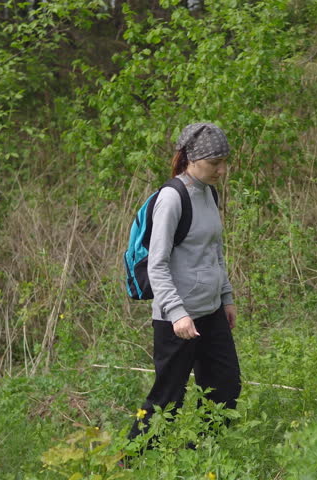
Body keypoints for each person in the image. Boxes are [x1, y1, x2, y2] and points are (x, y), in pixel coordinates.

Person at [127, 122, 241, 448]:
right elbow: (157, 263)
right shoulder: (172, 198)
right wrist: (177, 313)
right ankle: (131, 459)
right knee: (167, 400)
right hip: (177, 319)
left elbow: (214, 251)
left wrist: (226, 296)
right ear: (192, 158)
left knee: (225, 387)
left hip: (211, 312)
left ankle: (203, 454)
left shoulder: (209, 192)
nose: (222, 169)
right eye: (214, 162)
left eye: (224, 161)